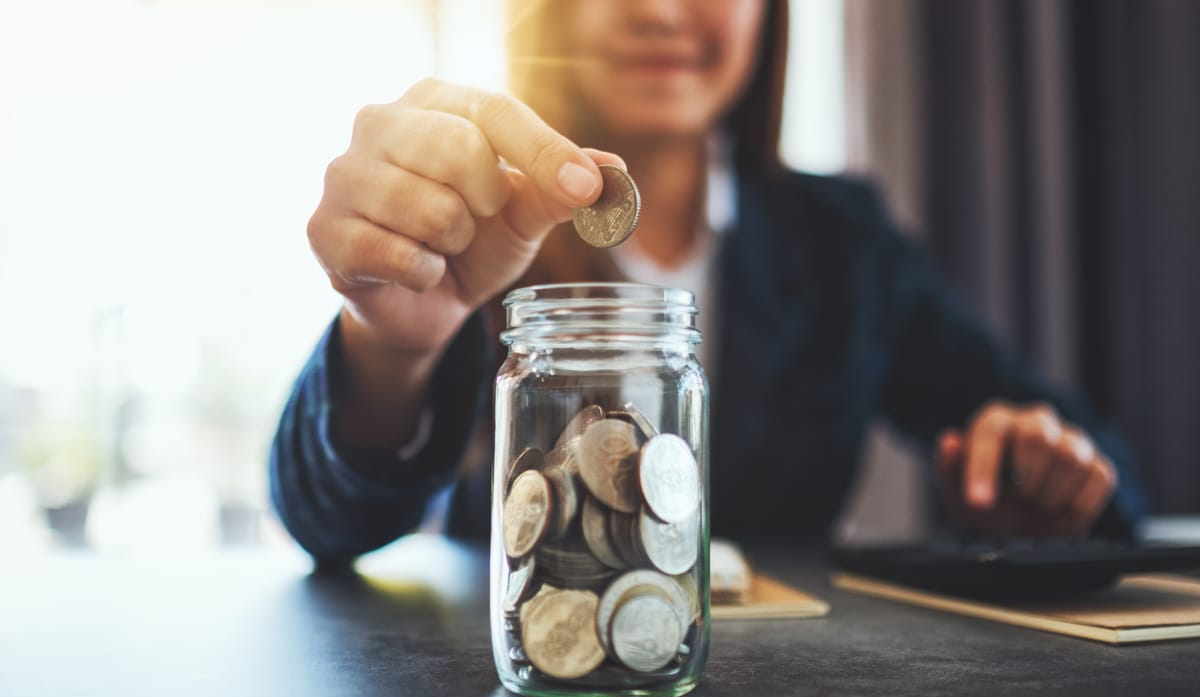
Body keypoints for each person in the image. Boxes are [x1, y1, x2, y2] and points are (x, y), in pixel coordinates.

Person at [269, 0, 1145, 563]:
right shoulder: (464, 215)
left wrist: (1038, 479)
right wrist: (391, 346)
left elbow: (1108, 478)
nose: (657, 10)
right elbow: (325, 524)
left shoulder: (844, 244)